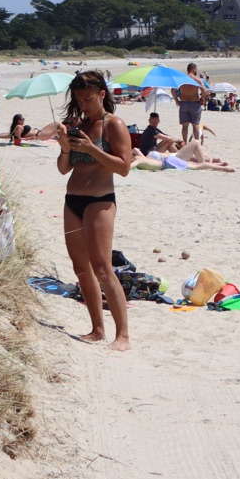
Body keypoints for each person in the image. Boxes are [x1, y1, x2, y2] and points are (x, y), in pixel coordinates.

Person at [57, 70, 134, 351]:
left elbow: (123, 167)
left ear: (102, 94)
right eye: (79, 99)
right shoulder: (78, 123)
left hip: (100, 200)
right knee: (81, 268)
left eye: (88, 98)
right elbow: (64, 168)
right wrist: (66, 148)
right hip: (72, 199)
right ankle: (97, 328)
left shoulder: (114, 124)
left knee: (102, 267)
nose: (83, 104)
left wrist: (92, 149)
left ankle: (123, 334)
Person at [175, 65, 204, 147]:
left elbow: (173, 90)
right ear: (194, 69)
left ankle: (184, 143)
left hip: (183, 103)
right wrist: (203, 98)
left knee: (185, 126)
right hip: (195, 103)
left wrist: (176, 101)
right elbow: (205, 91)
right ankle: (197, 143)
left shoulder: (181, 79)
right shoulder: (197, 79)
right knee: (195, 125)